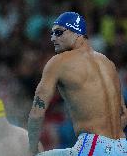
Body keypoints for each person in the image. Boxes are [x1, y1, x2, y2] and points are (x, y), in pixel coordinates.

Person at [28, 12, 127, 156]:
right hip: (122, 147)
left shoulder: (59, 61)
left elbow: (37, 113)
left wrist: (31, 149)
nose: (53, 38)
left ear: (77, 33)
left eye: (59, 32)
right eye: (52, 33)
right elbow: (123, 114)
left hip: (93, 146)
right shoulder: (107, 63)